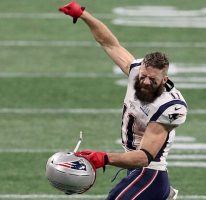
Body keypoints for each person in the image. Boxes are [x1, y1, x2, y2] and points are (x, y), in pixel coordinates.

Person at [59, 1, 188, 199]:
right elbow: (109, 43)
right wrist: (84, 15)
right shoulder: (136, 72)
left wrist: (103, 158)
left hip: (149, 172)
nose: (145, 82)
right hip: (135, 169)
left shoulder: (170, 107)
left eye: (152, 80)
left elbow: (144, 157)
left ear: (165, 80)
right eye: (143, 76)